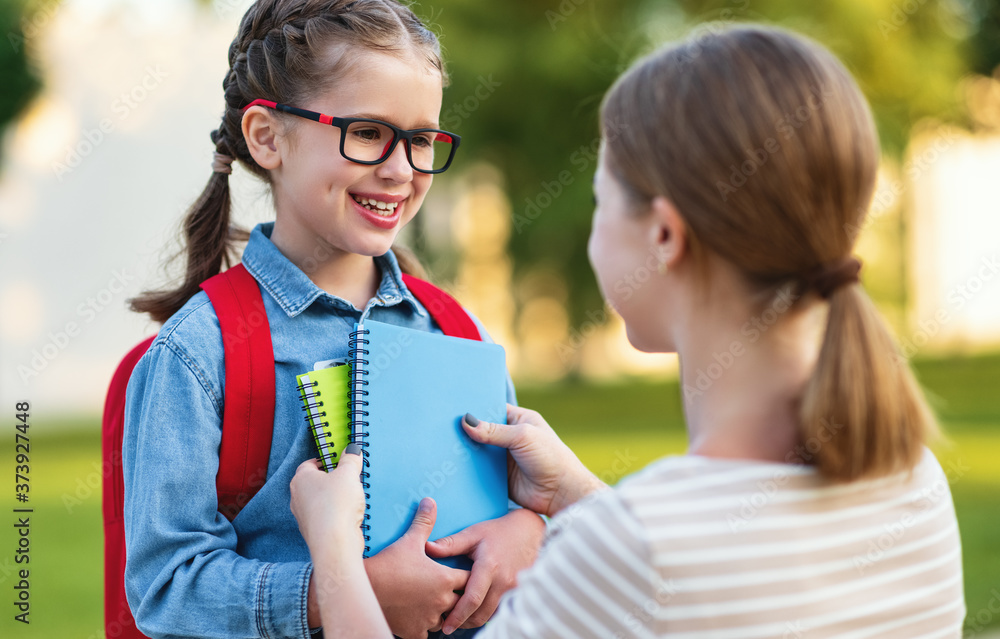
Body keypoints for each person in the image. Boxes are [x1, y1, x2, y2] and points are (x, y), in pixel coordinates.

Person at [289, 24, 966, 638]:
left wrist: (335, 552)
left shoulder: (628, 548)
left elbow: (654, 568)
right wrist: (577, 493)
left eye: (600, 200)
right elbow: (702, 580)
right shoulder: (913, 481)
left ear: (665, 236)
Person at [121, 1, 545, 638]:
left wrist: (529, 530)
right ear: (267, 137)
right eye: (368, 133)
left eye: (422, 139)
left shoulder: (458, 333)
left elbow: (519, 498)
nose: (401, 169)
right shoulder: (200, 354)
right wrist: (335, 594)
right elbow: (166, 588)